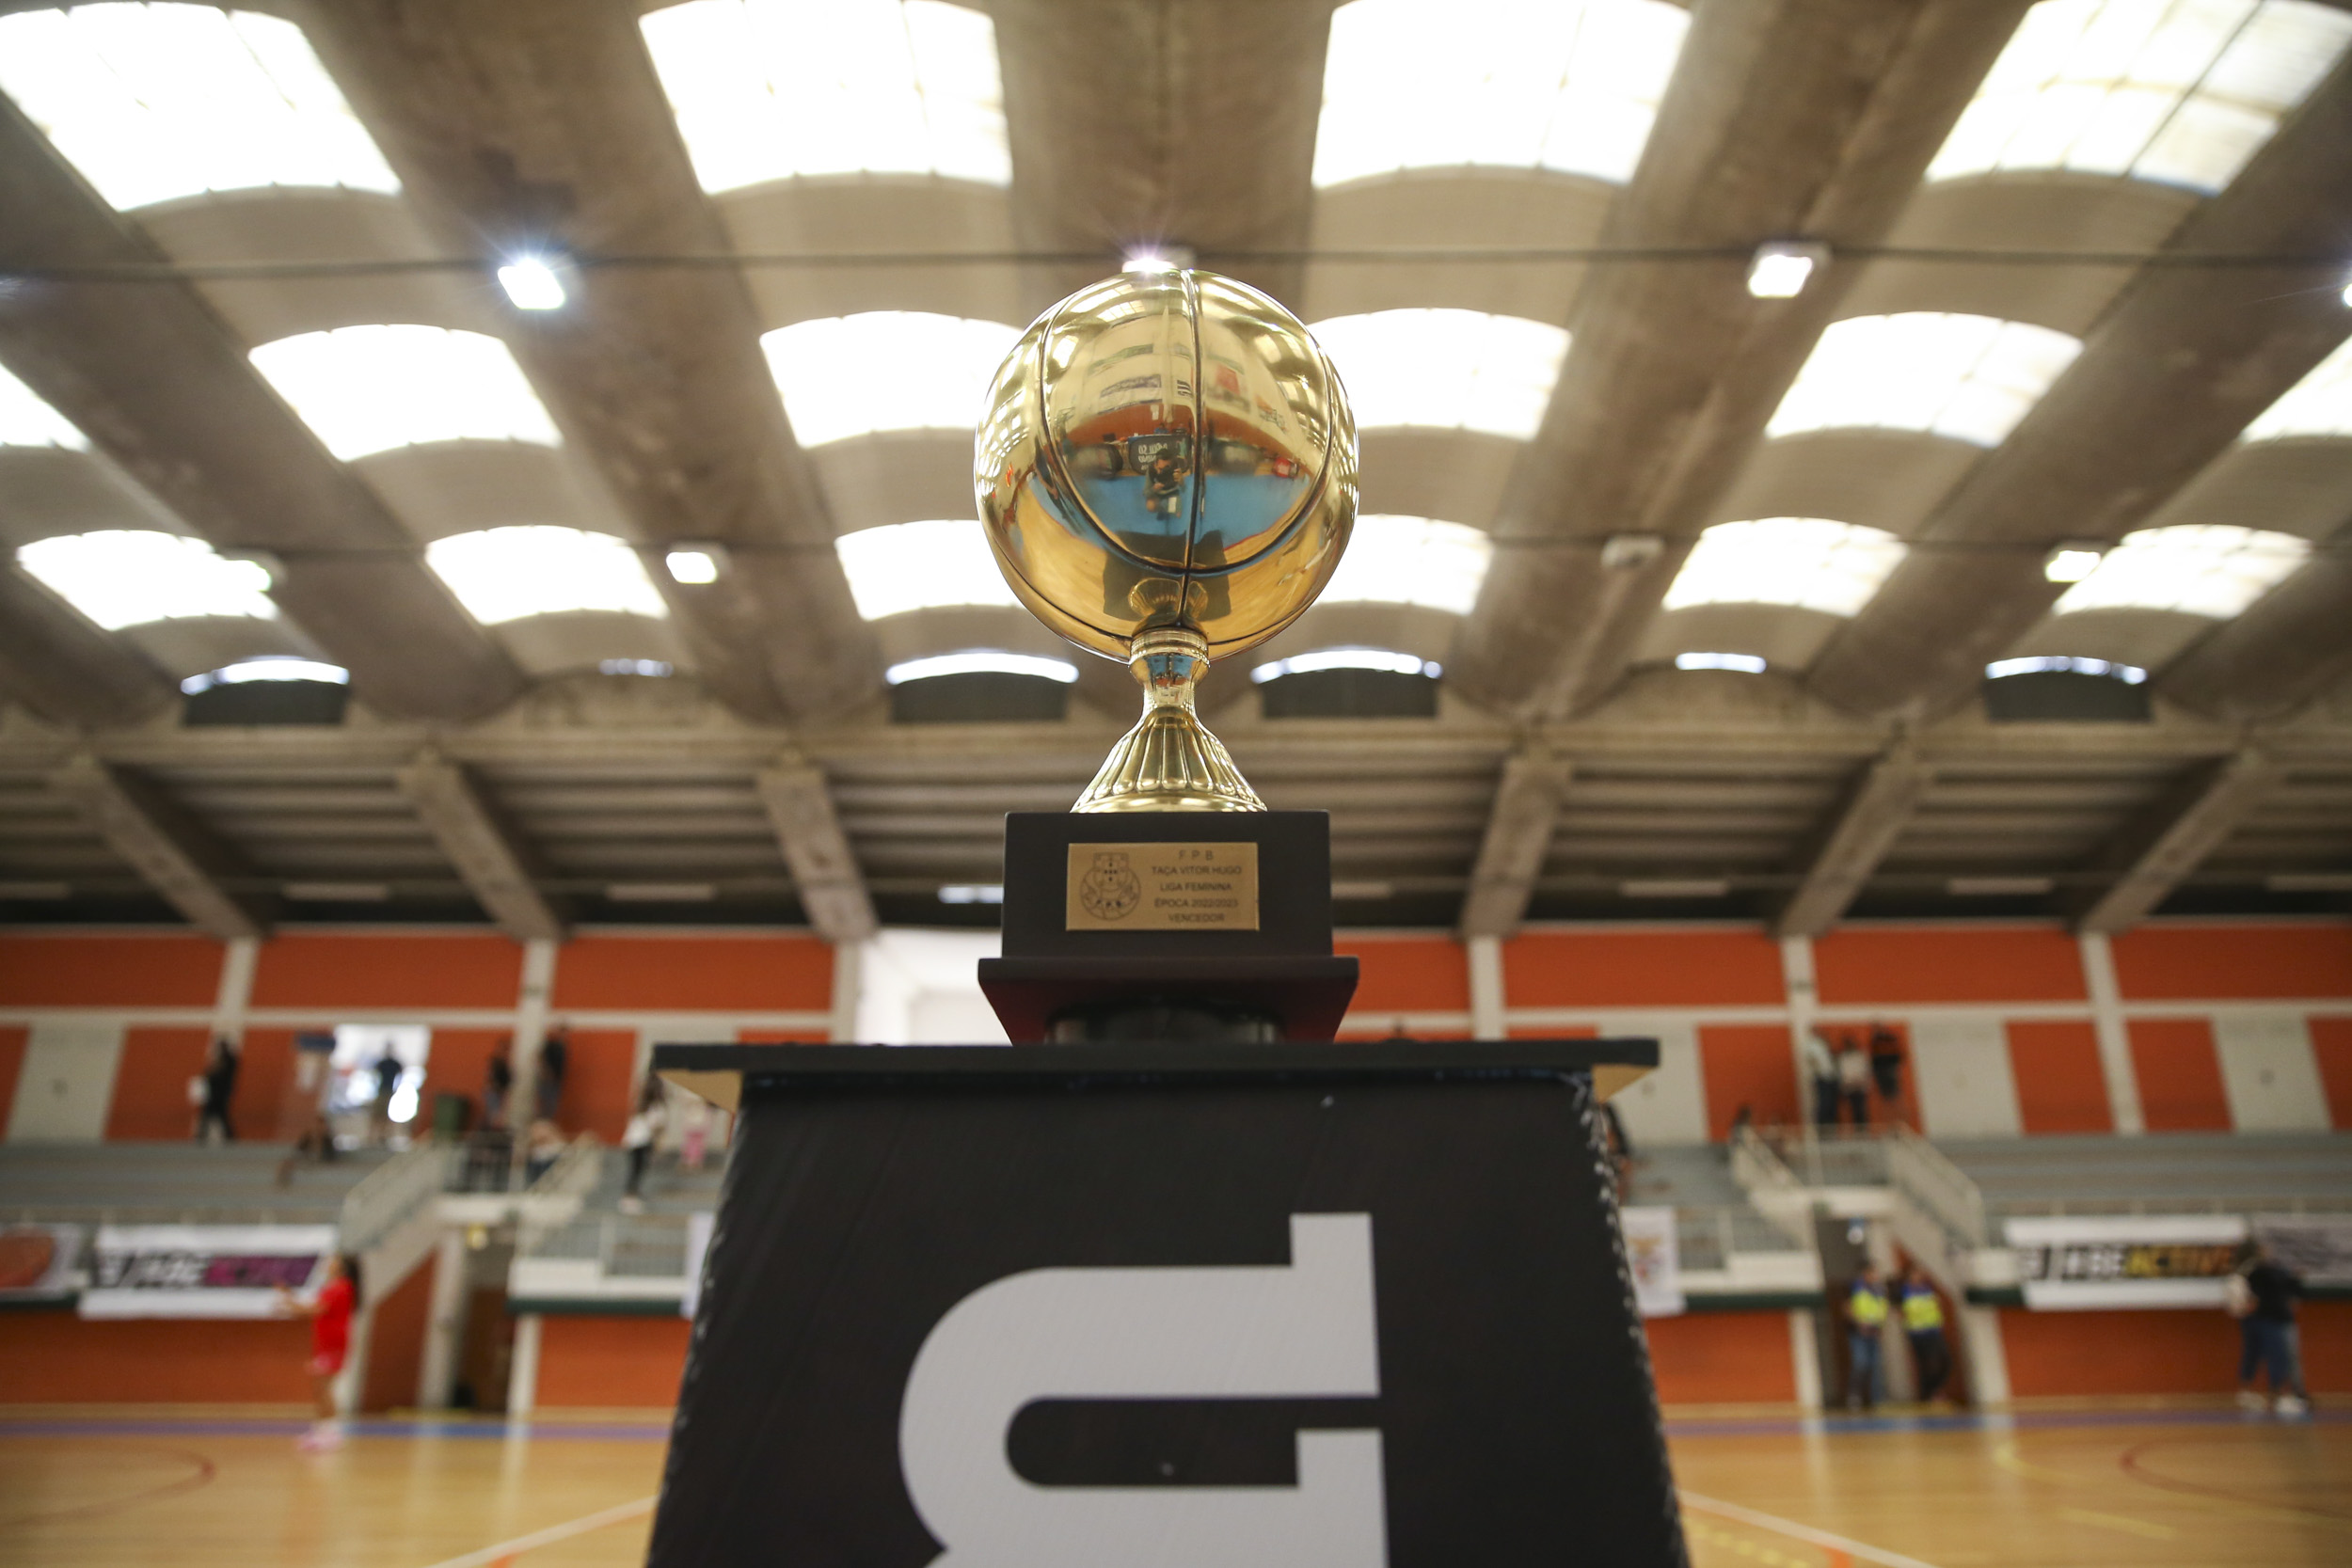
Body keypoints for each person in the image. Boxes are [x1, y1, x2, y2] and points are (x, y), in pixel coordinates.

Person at [278, 1251, 360, 1451]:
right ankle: (321, 1430)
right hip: (325, 1344)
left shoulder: (340, 1286)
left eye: (333, 1261)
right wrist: (290, 1301)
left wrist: (290, 1305)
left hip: (334, 1345)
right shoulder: (334, 1286)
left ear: (341, 1266)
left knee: (324, 1388)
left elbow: (315, 1309)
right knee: (319, 1388)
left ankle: (331, 1433)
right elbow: (315, 1309)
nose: (328, 1264)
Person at [2233, 1241, 2309, 1417]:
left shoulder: (2274, 1272)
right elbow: (2247, 1298)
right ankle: (2279, 1396)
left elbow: (2293, 1291)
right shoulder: (2256, 1273)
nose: (2267, 1252)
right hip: (2269, 1320)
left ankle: (2280, 1395)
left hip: (2275, 1319)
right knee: (2276, 1356)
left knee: (2279, 1357)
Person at [1899, 1264, 1950, 1404]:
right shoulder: (1905, 1292)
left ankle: (1933, 1390)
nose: (1917, 1276)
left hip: (1933, 1330)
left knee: (1945, 1360)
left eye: (1919, 1273)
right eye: (1914, 1274)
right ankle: (1928, 1394)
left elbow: (1935, 1309)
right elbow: (1903, 1312)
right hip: (1918, 1333)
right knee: (1927, 1364)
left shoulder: (1928, 1290)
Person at [621, 1077, 669, 1214]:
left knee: (636, 1170)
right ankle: (630, 1196)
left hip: (634, 1141)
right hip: (641, 1142)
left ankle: (631, 1195)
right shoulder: (655, 1108)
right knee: (637, 1170)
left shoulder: (642, 1105)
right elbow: (656, 1127)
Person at [1845, 1262, 1889, 1412]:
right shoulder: (1855, 1288)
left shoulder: (1880, 1291)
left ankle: (1878, 1399)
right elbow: (1847, 1308)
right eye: (1871, 1273)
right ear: (1865, 1274)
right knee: (1861, 1363)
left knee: (1876, 1365)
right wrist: (1858, 1324)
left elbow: (1881, 1310)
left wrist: (1880, 1326)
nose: (1874, 1276)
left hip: (1874, 1332)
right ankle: (1854, 1395)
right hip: (1859, 1333)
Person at [195, 1037, 239, 1144]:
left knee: (212, 1113)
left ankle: (203, 1135)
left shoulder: (228, 1059)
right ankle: (228, 1136)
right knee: (218, 1114)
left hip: (219, 1092)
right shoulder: (226, 1059)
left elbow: (216, 1072)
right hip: (217, 1092)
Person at [1802, 1028, 1839, 1130]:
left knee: (1831, 1103)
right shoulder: (1811, 1045)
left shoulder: (1824, 1045)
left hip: (1830, 1076)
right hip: (1821, 1076)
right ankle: (1821, 1127)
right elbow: (1812, 1059)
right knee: (1824, 1102)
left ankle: (1831, 1126)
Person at [368, 1048, 403, 1145]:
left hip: (388, 1091)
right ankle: (374, 1135)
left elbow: (400, 1075)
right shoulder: (383, 1063)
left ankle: (384, 1135)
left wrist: (396, 1088)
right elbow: (374, 1074)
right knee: (377, 1114)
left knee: (385, 1114)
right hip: (382, 1090)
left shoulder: (394, 1064)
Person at [1836, 1036, 1871, 1130]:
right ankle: (1856, 1130)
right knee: (1852, 1109)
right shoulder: (1843, 1058)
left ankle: (1863, 1130)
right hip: (1849, 1087)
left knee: (1861, 1109)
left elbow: (1865, 1070)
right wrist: (1848, 1082)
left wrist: (1862, 1082)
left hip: (1860, 1086)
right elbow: (1843, 1072)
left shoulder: (1860, 1056)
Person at [534, 1029, 569, 1125]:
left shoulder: (562, 1047)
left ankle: (546, 1125)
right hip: (548, 1080)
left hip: (556, 1081)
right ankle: (539, 1125)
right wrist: (546, 1072)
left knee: (552, 1106)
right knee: (544, 1105)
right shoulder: (550, 1045)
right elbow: (539, 1057)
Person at [1868, 1024, 1904, 1113]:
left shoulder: (1889, 1039)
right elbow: (1874, 1057)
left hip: (1890, 1069)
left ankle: (1900, 1115)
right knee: (1885, 1096)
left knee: (1895, 1094)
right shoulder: (1875, 1041)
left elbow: (1897, 1053)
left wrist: (1895, 1066)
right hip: (1881, 1071)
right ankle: (1889, 1117)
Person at [483, 1040, 514, 1132]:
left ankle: (493, 1131)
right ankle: (490, 1132)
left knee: (497, 1116)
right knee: (493, 1116)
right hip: (494, 1092)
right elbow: (490, 1077)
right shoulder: (495, 1062)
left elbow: (506, 1081)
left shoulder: (505, 1065)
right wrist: (493, 1087)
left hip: (499, 1092)